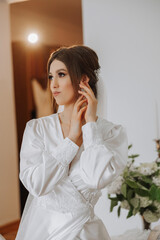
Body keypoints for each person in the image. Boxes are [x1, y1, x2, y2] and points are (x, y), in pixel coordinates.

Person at [15, 45, 128, 240]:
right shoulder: (37, 129)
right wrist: (72, 141)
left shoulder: (110, 133)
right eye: (51, 76)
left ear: (83, 80)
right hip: (44, 232)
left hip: (87, 233)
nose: (53, 85)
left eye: (61, 74)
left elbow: (96, 179)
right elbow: (36, 186)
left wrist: (90, 126)